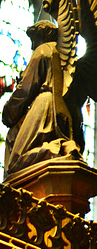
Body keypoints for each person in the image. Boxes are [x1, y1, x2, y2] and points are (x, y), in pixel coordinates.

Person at [2, 20, 81, 177]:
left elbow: (26, 88)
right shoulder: (61, 56)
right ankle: (66, 147)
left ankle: (53, 150)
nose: (32, 47)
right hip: (61, 109)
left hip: (44, 107)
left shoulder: (43, 50)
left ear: (43, 35)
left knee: (15, 164)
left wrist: (9, 112)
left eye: (34, 40)